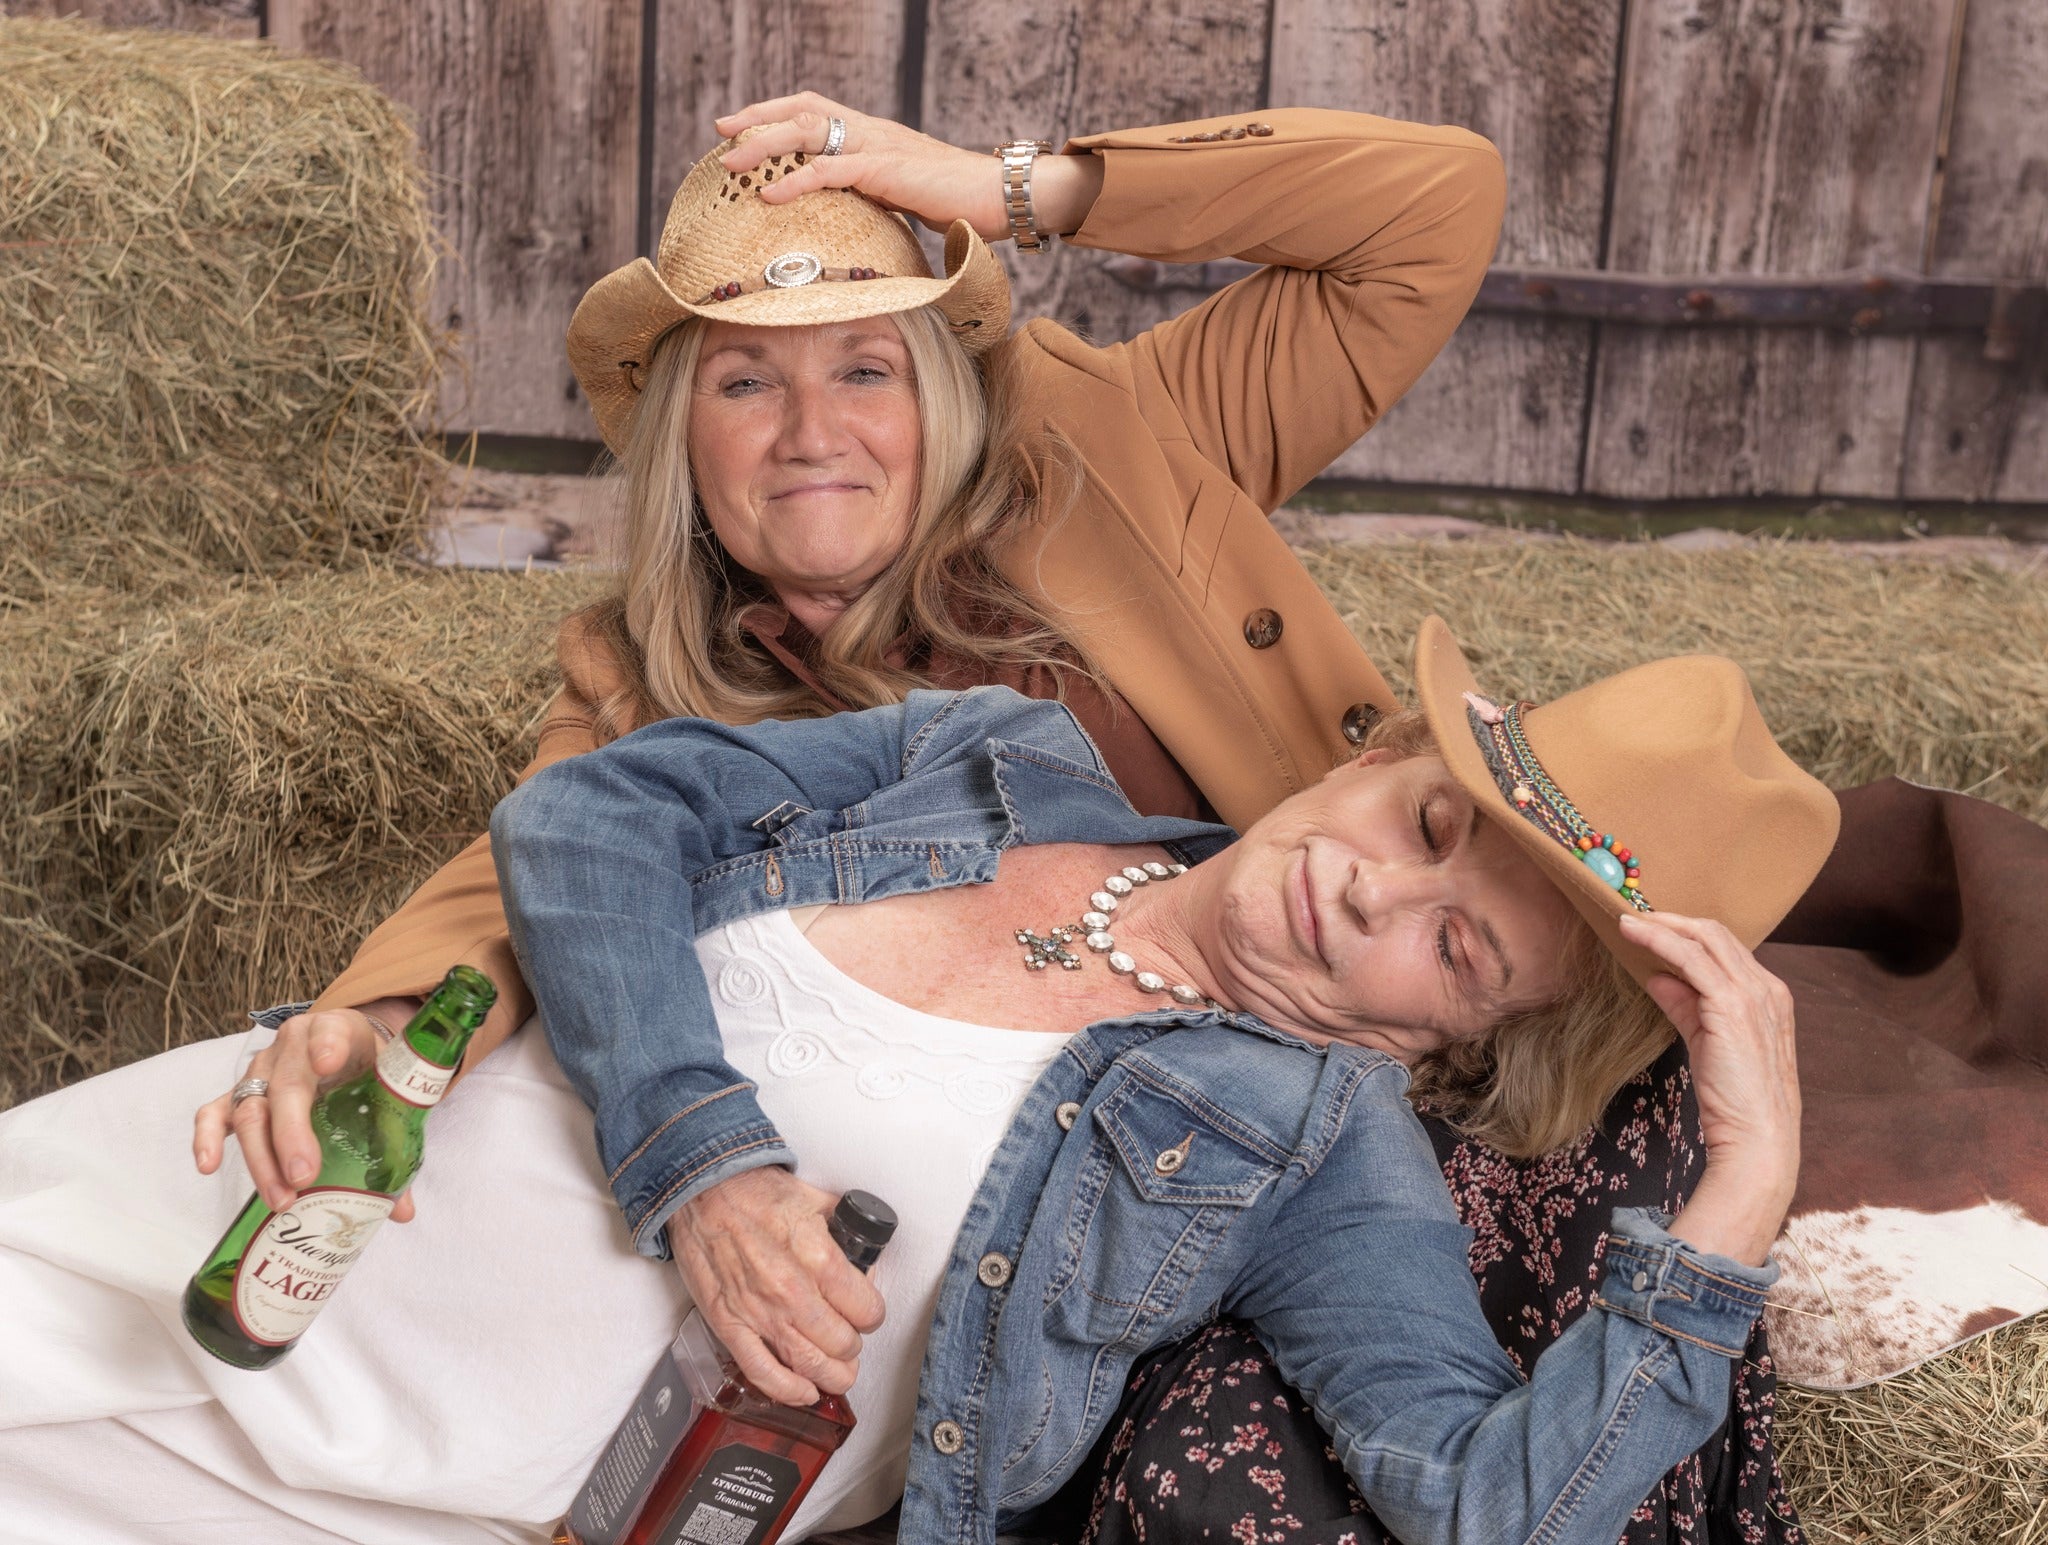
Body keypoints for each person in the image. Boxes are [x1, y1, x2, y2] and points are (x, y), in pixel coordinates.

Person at [0, 621, 1834, 1543]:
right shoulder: (992, 757)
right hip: (218, 1238)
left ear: (1458, 1039)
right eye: (1427, 822)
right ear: (1378, 754)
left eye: (1457, 945)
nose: (1374, 886)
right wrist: (707, 1166)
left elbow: (1482, 1503)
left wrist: (1738, 1192)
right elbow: (591, 812)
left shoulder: (1315, 1140)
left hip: (425, 1505)